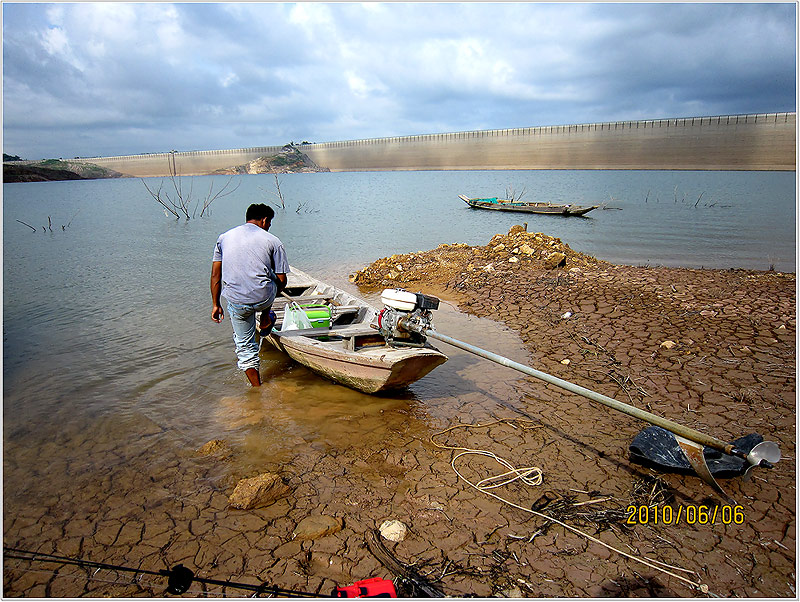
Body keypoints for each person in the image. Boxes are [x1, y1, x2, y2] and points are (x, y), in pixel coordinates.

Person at [211, 203, 289, 386]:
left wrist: (216, 304)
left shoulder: (223, 238)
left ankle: (257, 389)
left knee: (245, 348)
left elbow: (216, 274)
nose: (269, 226)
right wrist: (271, 295)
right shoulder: (273, 241)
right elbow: (282, 280)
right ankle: (266, 317)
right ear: (264, 220)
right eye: (269, 222)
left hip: (237, 302)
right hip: (263, 298)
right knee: (270, 275)